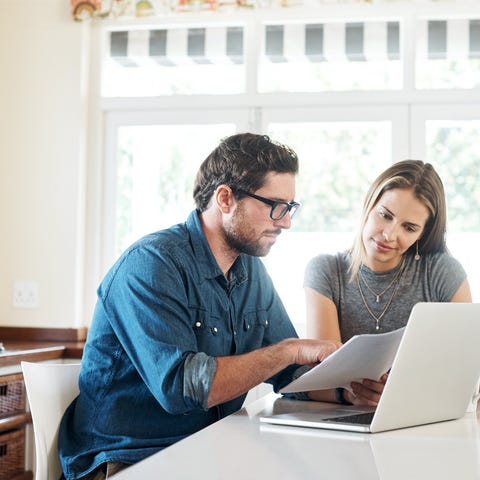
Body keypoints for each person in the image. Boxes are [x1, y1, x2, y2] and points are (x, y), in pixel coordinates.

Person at [58, 133, 340, 480]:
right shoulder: (151, 264)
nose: (285, 222)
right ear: (225, 198)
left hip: (207, 449)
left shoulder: (250, 270)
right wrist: (290, 351)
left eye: (290, 207)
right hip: (128, 459)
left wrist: (348, 388)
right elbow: (182, 388)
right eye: (275, 206)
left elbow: (290, 373)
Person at [304, 160, 471, 407]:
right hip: (349, 417)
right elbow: (326, 376)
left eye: (409, 227)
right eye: (385, 215)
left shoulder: (441, 272)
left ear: (422, 234)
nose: (389, 235)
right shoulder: (326, 271)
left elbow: (464, 367)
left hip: (422, 414)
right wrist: (353, 395)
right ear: (368, 204)